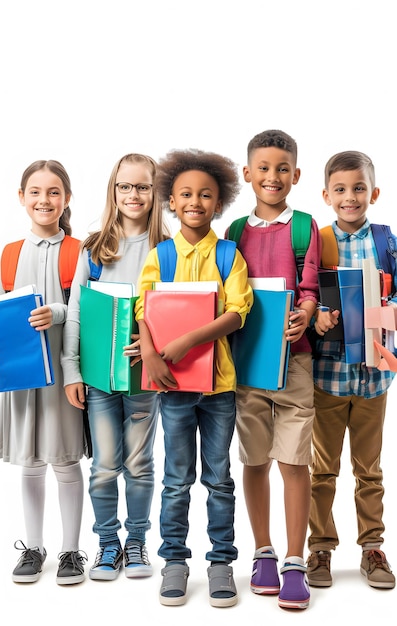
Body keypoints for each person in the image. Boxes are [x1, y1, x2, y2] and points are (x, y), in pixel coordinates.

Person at [135, 148, 253, 607]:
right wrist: (151, 353)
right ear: (170, 200)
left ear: (219, 203)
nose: (195, 202)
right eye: (185, 194)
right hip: (173, 387)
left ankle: (221, 561)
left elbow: (239, 312)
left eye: (206, 195)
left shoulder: (229, 255)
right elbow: (143, 307)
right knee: (175, 479)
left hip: (219, 386)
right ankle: (175, 562)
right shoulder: (161, 255)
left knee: (219, 478)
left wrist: (187, 341)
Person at [62, 153, 168, 582]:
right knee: (105, 463)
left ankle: (137, 543)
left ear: (155, 191)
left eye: (142, 186)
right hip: (99, 376)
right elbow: (75, 314)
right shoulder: (94, 248)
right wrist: (71, 370)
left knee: (140, 464)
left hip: (145, 376)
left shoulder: (168, 248)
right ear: (113, 190)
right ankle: (108, 544)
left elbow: (176, 311)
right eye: (125, 186)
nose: (133, 195)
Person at [227, 130, 321, 610]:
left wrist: (305, 313)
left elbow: (309, 288)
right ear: (247, 174)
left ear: (296, 175)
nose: (272, 176)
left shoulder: (305, 227)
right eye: (263, 168)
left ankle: (293, 560)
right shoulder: (234, 233)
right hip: (247, 365)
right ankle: (262, 551)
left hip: (296, 361)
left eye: (282, 168)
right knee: (256, 458)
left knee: (295, 461)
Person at [0, 160, 88, 585]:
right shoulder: (10, 252)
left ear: (66, 199)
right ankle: (33, 547)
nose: (43, 200)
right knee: (30, 463)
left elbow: (83, 308)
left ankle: (71, 551)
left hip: (61, 370)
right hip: (23, 372)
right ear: (21, 197)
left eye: (53, 192)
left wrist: (58, 311)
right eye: (35, 191)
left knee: (65, 461)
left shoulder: (78, 250)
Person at [307, 150, 396, 590]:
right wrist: (317, 315)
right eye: (340, 190)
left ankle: (372, 548)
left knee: (369, 469)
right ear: (326, 195)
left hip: (374, 377)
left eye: (359, 188)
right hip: (328, 375)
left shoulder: (386, 239)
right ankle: (319, 548)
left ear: (373, 192)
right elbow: (306, 294)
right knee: (322, 469)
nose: (350, 197)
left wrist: (386, 310)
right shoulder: (318, 240)